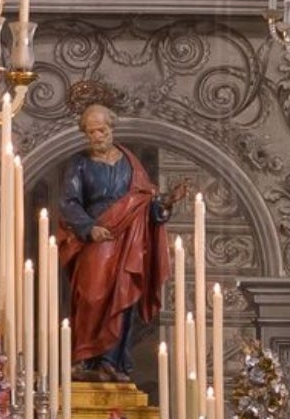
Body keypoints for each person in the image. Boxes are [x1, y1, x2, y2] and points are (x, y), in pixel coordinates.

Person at [57, 102, 190, 381]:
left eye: (102, 130)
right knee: (91, 295)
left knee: (124, 294)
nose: (97, 136)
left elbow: (144, 202)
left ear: (112, 128)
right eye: (91, 132)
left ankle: (112, 361)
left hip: (129, 238)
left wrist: (165, 201)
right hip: (96, 237)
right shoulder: (79, 164)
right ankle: (85, 358)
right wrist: (89, 228)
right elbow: (69, 203)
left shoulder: (129, 163)